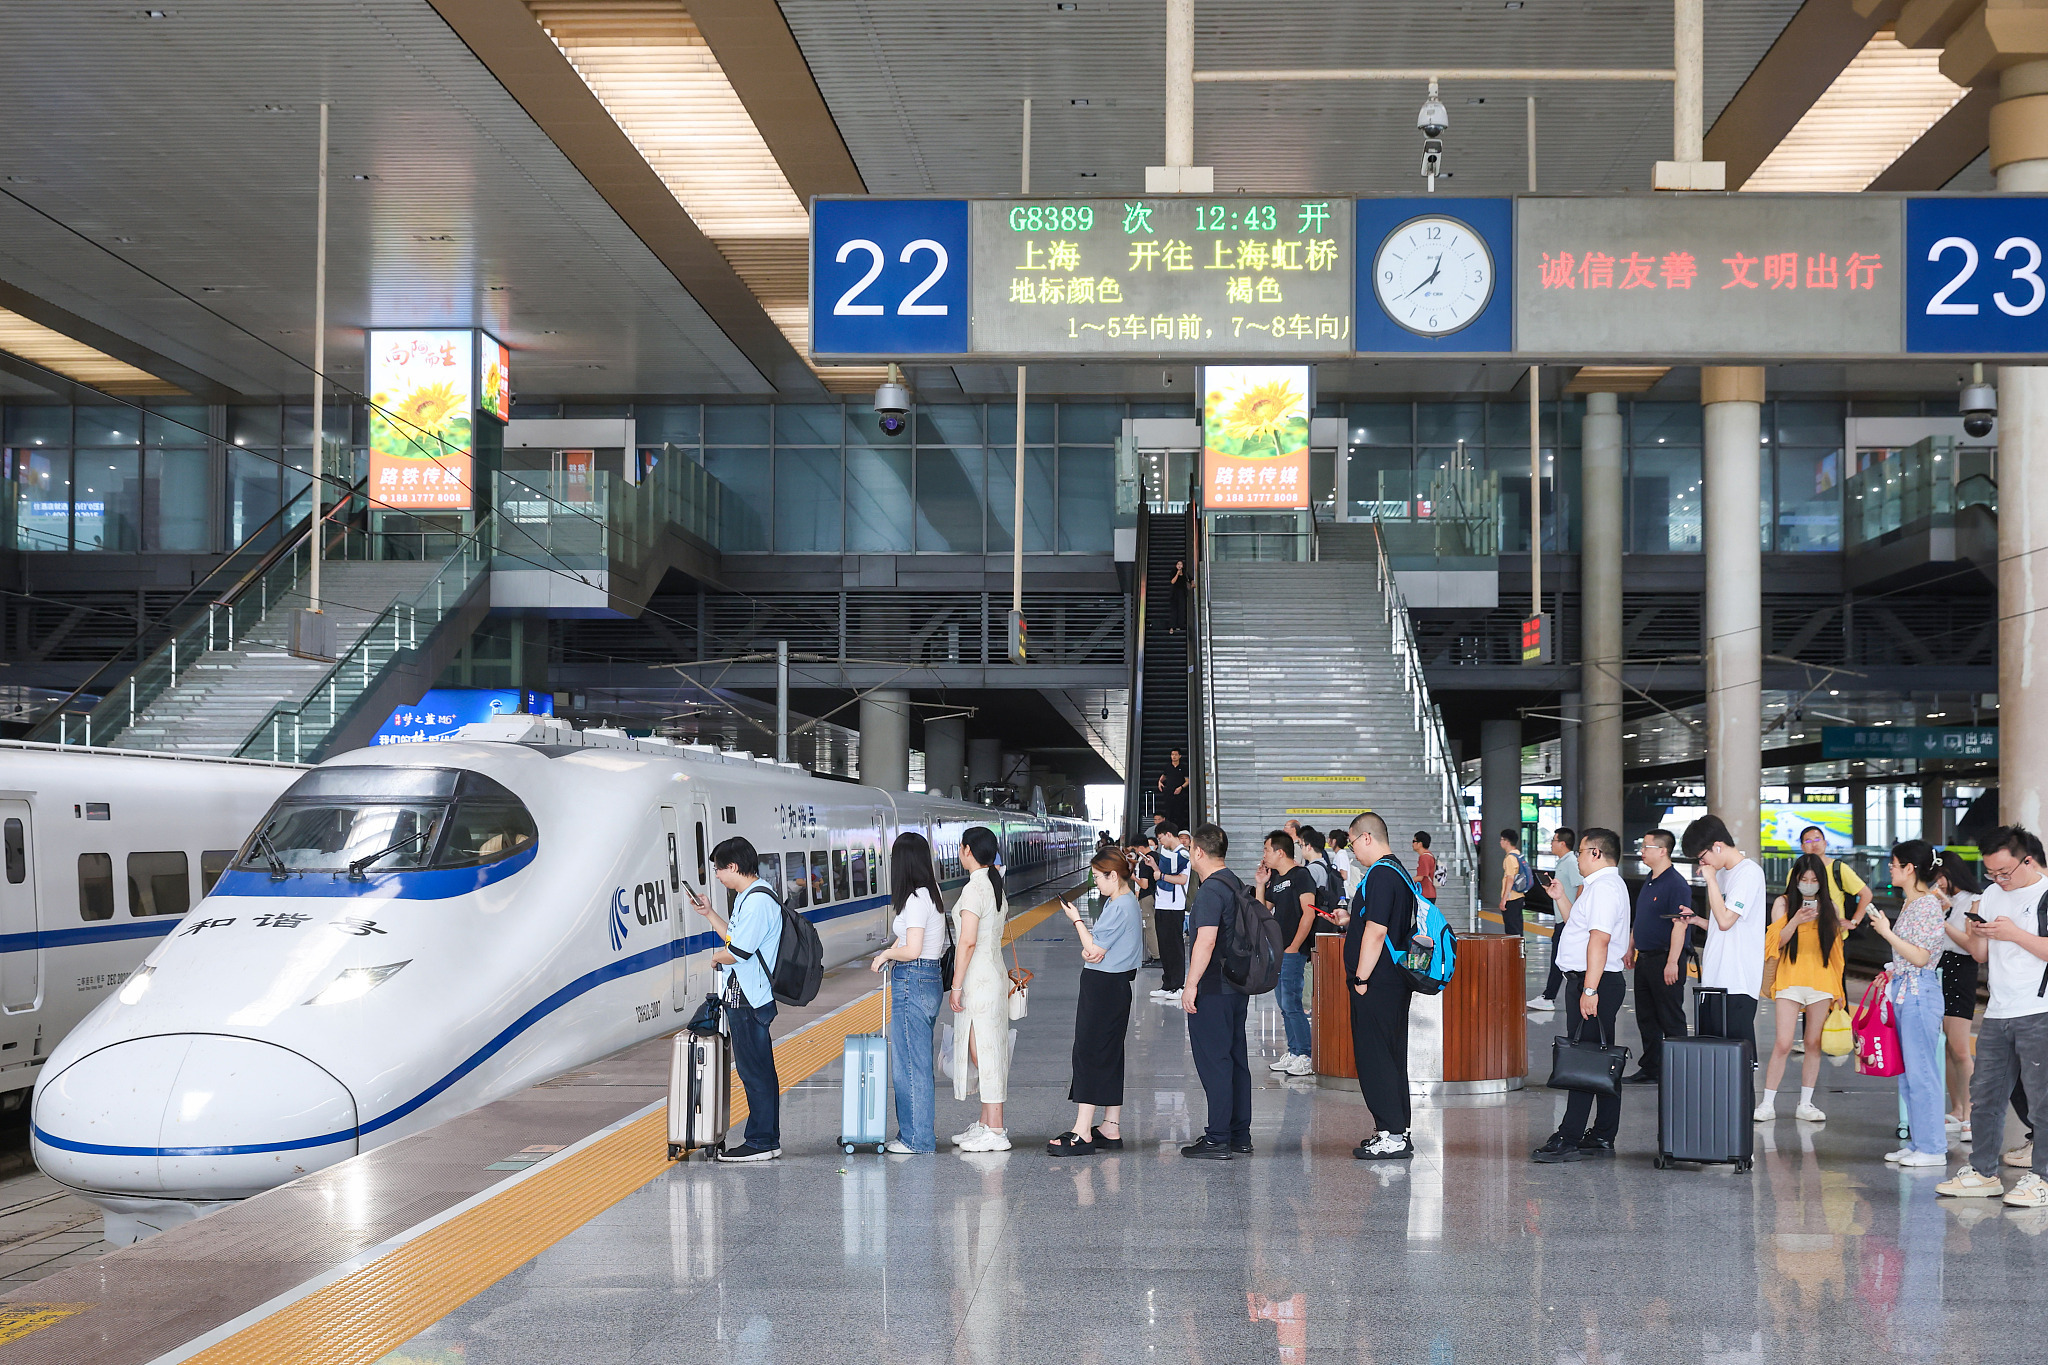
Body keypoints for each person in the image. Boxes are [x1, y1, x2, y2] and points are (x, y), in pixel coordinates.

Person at [1938, 825, 2048, 1205]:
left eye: (2004, 872)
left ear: (2027, 860)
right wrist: (1970, 929)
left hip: (2039, 1009)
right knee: (1985, 1095)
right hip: (1999, 1010)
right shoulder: (1990, 895)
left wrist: (2014, 933)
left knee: (2042, 1099)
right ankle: (1984, 1172)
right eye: (1991, 873)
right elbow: (1981, 954)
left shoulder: (2046, 893)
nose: (1998, 879)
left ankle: (2043, 1179)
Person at [1532, 828, 1632, 1162]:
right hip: (1594, 981)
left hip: (1595, 983)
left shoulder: (1604, 889)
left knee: (1583, 1060)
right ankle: (1603, 1134)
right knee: (1600, 1060)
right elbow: (1578, 924)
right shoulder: (1599, 887)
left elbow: (1599, 941)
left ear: (1595, 853)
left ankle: (1570, 1136)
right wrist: (1560, 896)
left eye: (1580, 852)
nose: (1576, 857)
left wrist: (1589, 989)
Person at [690, 837, 783, 1163]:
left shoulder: (758, 901)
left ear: (733, 866)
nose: (716, 875)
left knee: (755, 1072)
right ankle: (765, 1138)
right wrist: (710, 913)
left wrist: (718, 957)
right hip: (745, 995)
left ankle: (761, 1141)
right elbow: (735, 937)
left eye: (718, 869)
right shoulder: (748, 896)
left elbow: (738, 951)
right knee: (756, 1069)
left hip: (750, 999)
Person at [1048, 849, 1144, 1155]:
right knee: (1110, 1052)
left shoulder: (1120, 906)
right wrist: (1090, 949)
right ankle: (1109, 1127)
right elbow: (1094, 950)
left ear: (1113, 875)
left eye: (1098, 877)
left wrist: (1076, 920)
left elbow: (1093, 950)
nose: (1095, 883)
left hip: (1103, 987)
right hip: (1114, 986)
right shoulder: (1125, 902)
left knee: (1089, 1052)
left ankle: (1081, 1132)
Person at [1866, 840, 1951, 1165]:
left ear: (1910, 868)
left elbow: (1920, 957)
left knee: (1922, 1072)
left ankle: (1932, 1148)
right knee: (1909, 1072)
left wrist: (1887, 933)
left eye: (1895, 863)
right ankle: (1919, 1142)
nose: (1890, 867)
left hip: (1918, 993)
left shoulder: (1927, 906)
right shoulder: (1913, 904)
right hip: (1905, 992)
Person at [1342, 811, 1420, 1160]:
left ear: (1367, 838)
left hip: (1377, 981)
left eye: (1352, 842)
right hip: (1392, 979)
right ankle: (1396, 1129)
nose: (1352, 850)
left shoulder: (1381, 875)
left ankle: (1392, 1134)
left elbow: (1376, 931)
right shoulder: (1398, 872)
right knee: (1390, 1055)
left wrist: (1360, 978)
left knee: (1376, 1057)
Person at [1754, 852, 1849, 1124]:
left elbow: (1835, 951)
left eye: (1814, 879)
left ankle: (1805, 1103)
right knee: (1783, 1042)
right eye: (1803, 878)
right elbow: (1775, 942)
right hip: (1790, 977)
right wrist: (1796, 919)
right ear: (1795, 879)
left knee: (1812, 1042)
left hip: (1821, 979)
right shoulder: (1783, 904)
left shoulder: (1830, 906)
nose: (1808, 883)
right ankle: (1767, 1103)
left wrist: (1839, 991)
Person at [869, 832, 947, 1154]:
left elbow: (913, 949)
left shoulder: (915, 899)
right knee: (918, 1061)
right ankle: (918, 1134)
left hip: (912, 981)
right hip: (928, 979)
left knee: (909, 1065)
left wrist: (886, 955)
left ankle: (916, 1139)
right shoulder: (933, 893)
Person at [1180, 823, 1253, 1159]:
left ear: (1198, 851)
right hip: (1237, 986)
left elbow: (1206, 940)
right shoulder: (1235, 883)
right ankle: (1239, 1135)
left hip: (1213, 987)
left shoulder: (1210, 891)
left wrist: (1190, 985)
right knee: (1236, 1060)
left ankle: (1217, 1138)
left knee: (1216, 1063)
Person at [1677, 814, 1768, 1058]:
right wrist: (1697, 920)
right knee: (1714, 1059)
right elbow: (1722, 925)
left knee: (1736, 1063)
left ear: (1717, 845)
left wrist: (1711, 881)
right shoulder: (1723, 875)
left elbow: (1726, 921)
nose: (1702, 864)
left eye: (1702, 857)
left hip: (1736, 982)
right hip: (1714, 980)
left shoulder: (1748, 873)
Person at [948, 826, 1013, 1153]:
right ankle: (987, 1123)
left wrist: (955, 985)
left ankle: (997, 1128)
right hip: (993, 972)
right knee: (986, 1047)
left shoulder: (975, 890)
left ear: (967, 850)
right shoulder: (993, 884)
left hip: (978, 978)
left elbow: (968, 941)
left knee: (984, 1051)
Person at [1624, 829, 1691, 1085]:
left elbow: (1680, 924)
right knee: (1647, 1016)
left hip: (1665, 959)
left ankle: (1681, 1069)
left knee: (1670, 1016)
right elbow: (1642, 917)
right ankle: (1651, 1067)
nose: (1642, 851)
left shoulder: (1676, 884)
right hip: (1646, 958)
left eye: (1646, 847)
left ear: (1662, 851)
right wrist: (1631, 946)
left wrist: (1673, 961)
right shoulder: (1651, 880)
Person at [1256, 830, 1319, 1077]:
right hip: (1278, 950)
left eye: (1266, 850)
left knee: (1292, 1003)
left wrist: (1294, 946)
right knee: (1284, 1004)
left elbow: (1309, 912)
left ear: (1279, 852)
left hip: (1292, 950)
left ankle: (1305, 1055)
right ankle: (1294, 1051)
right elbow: (1263, 912)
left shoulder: (1301, 876)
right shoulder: (1275, 879)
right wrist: (1261, 884)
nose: (1264, 855)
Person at [1935, 851, 1983, 1139]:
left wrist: (1944, 919)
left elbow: (1969, 944)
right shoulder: (1943, 901)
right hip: (1941, 969)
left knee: (1961, 1048)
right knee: (1947, 1048)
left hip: (1962, 970)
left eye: (1939, 877)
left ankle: (1970, 1113)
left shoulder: (1972, 899)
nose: (1936, 882)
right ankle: (1955, 1109)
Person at [1528, 826, 1582, 1014]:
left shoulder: (1570, 862)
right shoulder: (1563, 862)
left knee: (1558, 958)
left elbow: (1580, 885)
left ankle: (1549, 997)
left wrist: (1574, 914)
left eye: (1553, 840)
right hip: (1563, 919)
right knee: (1558, 958)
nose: (1551, 843)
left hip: (1569, 920)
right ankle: (1548, 995)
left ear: (1562, 843)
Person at [1792, 824, 1874, 927]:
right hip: (1805, 934)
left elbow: (1866, 894)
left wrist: (1854, 922)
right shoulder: (1795, 872)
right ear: (1802, 847)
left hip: (1835, 935)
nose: (1814, 844)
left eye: (1817, 840)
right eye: (1808, 841)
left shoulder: (1839, 868)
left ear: (1825, 843)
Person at [1148, 828, 1190, 1003]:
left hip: (1175, 906)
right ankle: (1167, 984)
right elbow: (1162, 875)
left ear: (1168, 834)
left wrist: (1161, 875)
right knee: (1165, 945)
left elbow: (1182, 879)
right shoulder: (1169, 853)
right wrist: (1154, 867)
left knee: (1175, 947)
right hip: (1162, 904)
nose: (1161, 842)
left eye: (1161, 838)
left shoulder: (1183, 855)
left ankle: (1179, 985)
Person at [1135, 835, 1161, 968]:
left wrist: (1133, 877)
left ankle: (1156, 957)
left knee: (1149, 927)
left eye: (1135, 849)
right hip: (1157, 895)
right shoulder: (1157, 856)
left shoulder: (1145, 861)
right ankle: (1157, 955)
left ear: (1140, 847)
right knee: (1155, 926)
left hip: (1146, 897)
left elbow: (1144, 885)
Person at [1498, 828, 1528, 940]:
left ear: (1507, 841)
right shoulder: (1518, 855)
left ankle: (1515, 954)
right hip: (1519, 896)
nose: (1500, 842)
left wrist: (1504, 899)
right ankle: (1519, 953)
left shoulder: (1510, 858)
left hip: (1512, 898)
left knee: (1512, 930)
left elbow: (1510, 879)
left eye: (1501, 840)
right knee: (1517, 928)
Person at [1157, 748, 1190, 829]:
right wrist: (1159, 782)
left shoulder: (1183, 767)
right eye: (1172, 755)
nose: (1174, 756)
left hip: (1179, 793)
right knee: (1169, 813)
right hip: (1168, 793)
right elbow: (1163, 776)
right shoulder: (1168, 766)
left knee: (1179, 813)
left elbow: (1187, 781)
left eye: (1175, 755)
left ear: (1180, 756)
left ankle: (1179, 830)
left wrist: (1181, 787)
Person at [1410, 830, 1437, 902]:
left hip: (1425, 894)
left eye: (1414, 841)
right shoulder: (1429, 855)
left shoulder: (1424, 857)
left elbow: (1421, 877)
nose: (1412, 844)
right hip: (1429, 893)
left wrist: (1408, 881)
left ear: (1420, 844)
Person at [1168, 557, 1188, 634]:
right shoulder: (1173, 572)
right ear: (1176, 566)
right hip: (1174, 593)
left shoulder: (1185, 573)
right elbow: (1172, 582)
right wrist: (1177, 574)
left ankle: (1180, 625)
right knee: (1174, 610)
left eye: (1181, 564)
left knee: (1181, 609)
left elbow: (1189, 579)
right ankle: (1172, 626)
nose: (1179, 566)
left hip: (1182, 593)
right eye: (1178, 564)